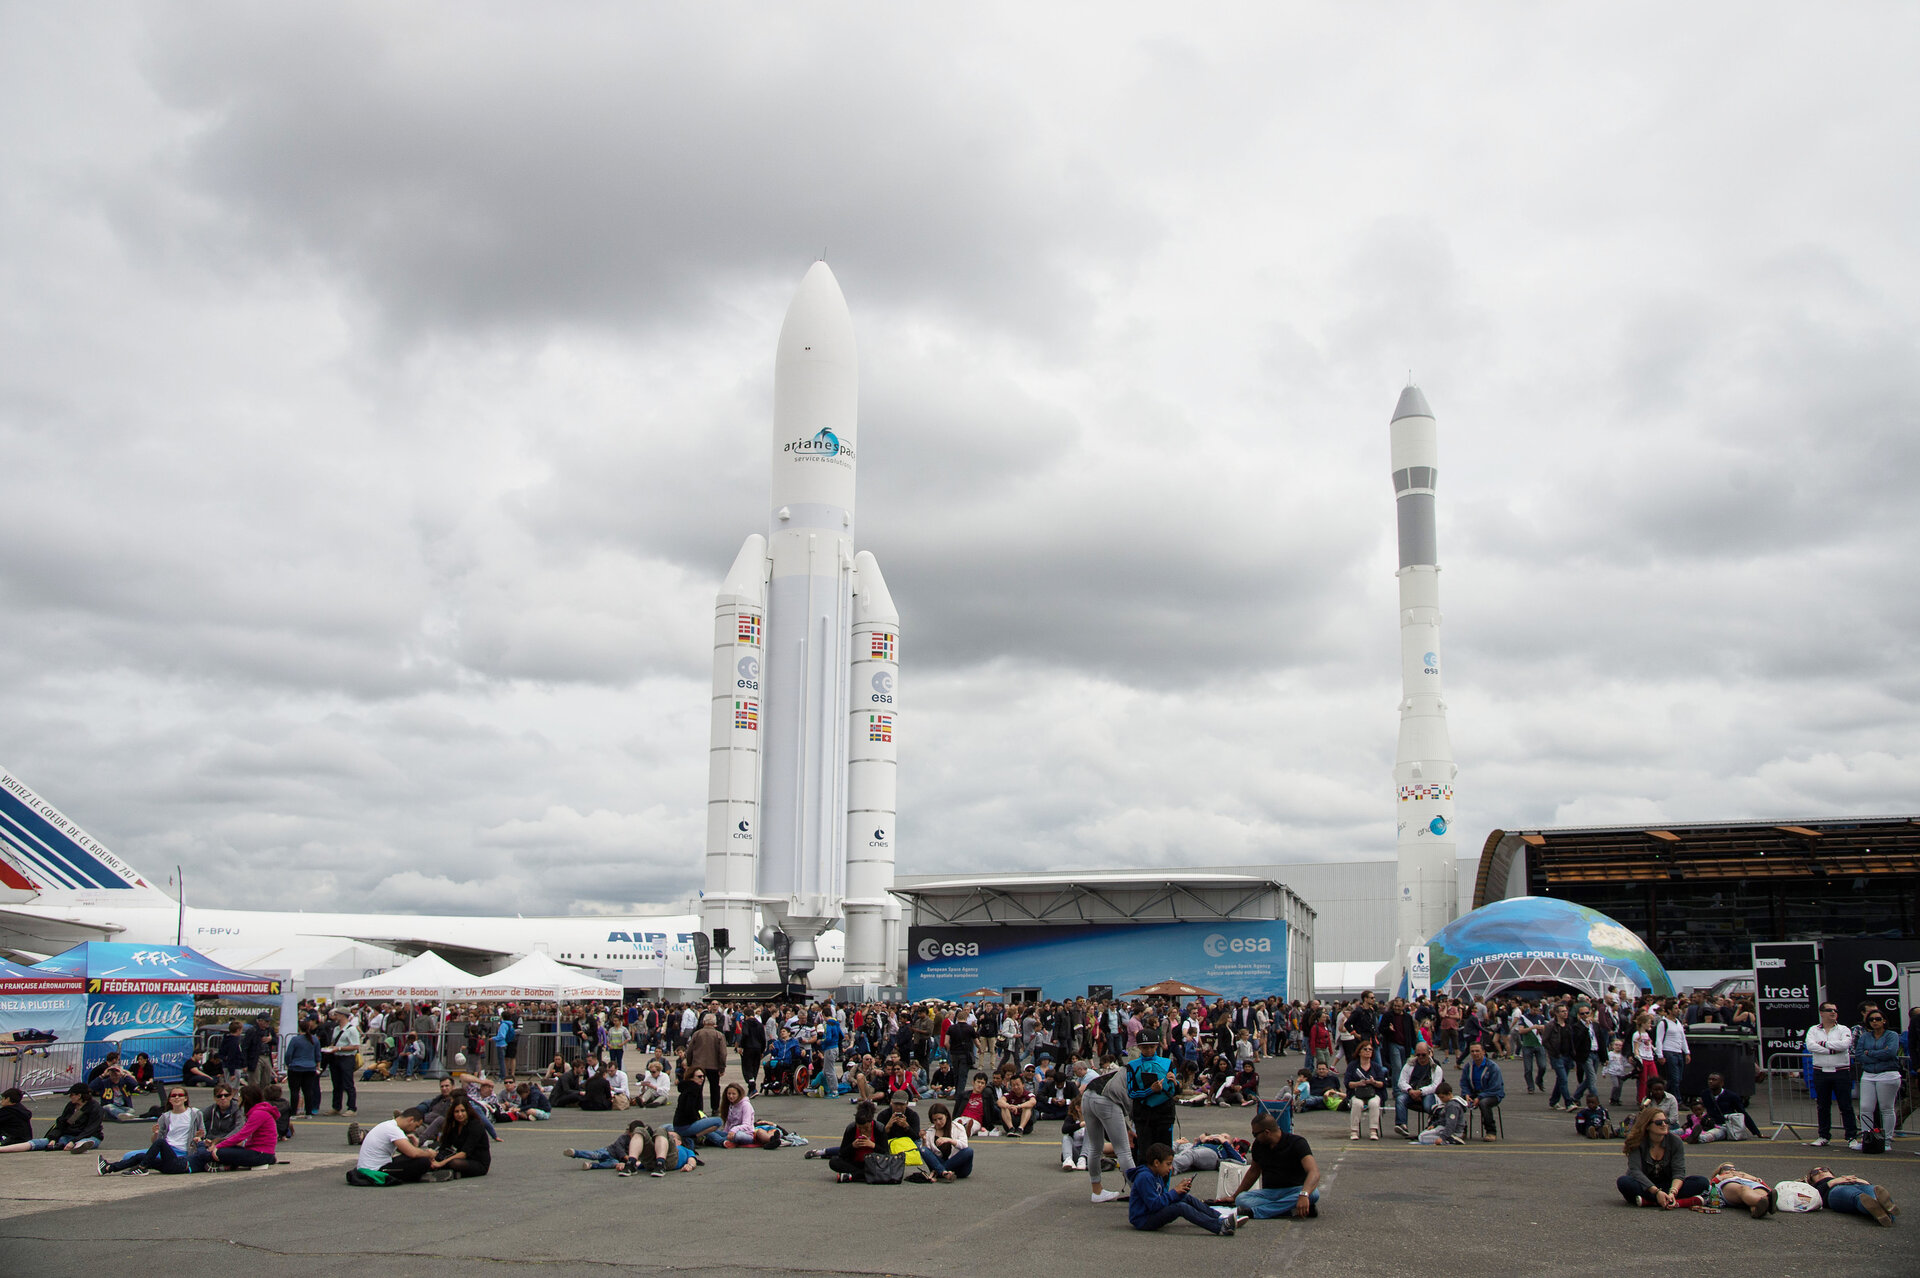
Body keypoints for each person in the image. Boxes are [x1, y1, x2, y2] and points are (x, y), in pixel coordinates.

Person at [1229, 1109, 1320, 1220]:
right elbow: (1254, 1171)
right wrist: (1234, 1196)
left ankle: (1256, 1212)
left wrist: (1304, 1194)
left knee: (1314, 1194)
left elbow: (1314, 1172)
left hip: (1295, 1190)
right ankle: (1290, 1209)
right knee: (1241, 1199)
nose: (1254, 1137)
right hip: (1270, 1193)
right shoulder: (1258, 1145)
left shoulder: (1297, 1143)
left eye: (1255, 1134)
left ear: (1267, 1132)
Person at [1127, 1141, 1234, 1235]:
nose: (1170, 1168)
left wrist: (1181, 1191)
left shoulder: (1157, 1175)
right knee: (1180, 1207)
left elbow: (1163, 1197)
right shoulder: (1144, 1177)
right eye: (1168, 1164)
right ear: (1156, 1163)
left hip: (1151, 1212)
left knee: (1186, 1198)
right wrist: (1175, 1191)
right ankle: (1220, 1227)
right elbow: (1155, 1205)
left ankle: (1219, 1217)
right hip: (1143, 1220)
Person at [98, 1085, 201, 1175]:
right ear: (169, 1099)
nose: (177, 1098)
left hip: (181, 1154)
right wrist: (156, 1134)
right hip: (166, 1150)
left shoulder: (195, 1113)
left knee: (157, 1146)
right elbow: (155, 1142)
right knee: (129, 1156)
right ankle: (108, 1168)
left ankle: (142, 1167)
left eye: (180, 1095)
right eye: (173, 1096)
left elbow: (203, 1134)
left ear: (186, 1098)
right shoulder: (165, 1117)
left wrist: (199, 1137)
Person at [1616, 1107, 1707, 1209]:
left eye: (1666, 1121)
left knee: (1702, 1182)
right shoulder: (1636, 1142)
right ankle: (1668, 1200)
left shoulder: (1675, 1141)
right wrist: (1656, 1192)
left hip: (1667, 1185)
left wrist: (1673, 1192)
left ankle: (1655, 1201)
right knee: (1624, 1182)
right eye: (1659, 1122)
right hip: (1645, 1185)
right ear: (1647, 1126)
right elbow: (1635, 1171)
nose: (1664, 1125)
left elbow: (1679, 1171)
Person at [194, 1082, 280, 1172]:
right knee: (227, 1149)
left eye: (239, 1095)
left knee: (220, 1152)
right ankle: (221, 1162)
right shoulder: (257, 1112)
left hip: (260, 1153)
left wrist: (218, 1146)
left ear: (246, 1098)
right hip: (259, 1151)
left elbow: (241, 1135)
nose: (237, 1098)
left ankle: (204, 1157)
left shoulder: (258, 1113)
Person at [1853, 1008, 1901, 1150]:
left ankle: (1886, 1141)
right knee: (1865, 1107)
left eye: (1878, 1019)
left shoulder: (1891, 1035)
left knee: (1886, 1108)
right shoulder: (1865, 1036)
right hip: (1868, 1074)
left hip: (1888, 1074)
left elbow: (1891, 1052)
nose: (1874, 1021)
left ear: (1884, 1020)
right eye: (1871, 1019)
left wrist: (1871, 1053)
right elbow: (1860, 1054)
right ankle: (1867, 1139)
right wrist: (1878, 1054)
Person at [354, 1109, 441, 1184]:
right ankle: (418, 1176)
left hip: (370, 1166)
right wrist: (429, 1154)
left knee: (418, 1158)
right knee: (423, 1162)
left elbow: (406, 1152)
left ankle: (418, 1173)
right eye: (416, 1126)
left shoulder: (388, 1125)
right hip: (375, 1170)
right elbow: (413, 1153)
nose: (414, 1130)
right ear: (411, 1120)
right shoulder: (394, 1130)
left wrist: (415, 1146)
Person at [14, 1083, 101, 1153]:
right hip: (69, 1136)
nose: (70, 1097)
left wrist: (73, 1141)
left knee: (85, 1142)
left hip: (89, 1136)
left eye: (72, 1095)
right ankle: (4, 1149)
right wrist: (53, 1138)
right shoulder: (72, 1106)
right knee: (47, 1141)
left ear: (79, 1096)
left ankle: (79, 1146)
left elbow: (90, 1129)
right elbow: (63, 1123)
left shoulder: (94, 1107)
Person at [1804, 1166, 1897, 1226]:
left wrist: (1863, 1182)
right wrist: (1832, 1182)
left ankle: (1884, 1213)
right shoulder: (1818, 1186)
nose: (1820, 1172)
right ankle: (1885, 1212)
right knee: (1857, 1197)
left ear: (1831, 1173)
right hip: (1835, 1190)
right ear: (1812, 1180)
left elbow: (1867, 1184)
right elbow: (1816, 1195)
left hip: (1860, 1185)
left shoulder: (1845, 1178)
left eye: (1823, 1169)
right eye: (1815, 1172)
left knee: (1875, 1193)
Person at [429, 1096, 490, 1178]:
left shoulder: (475, 1125)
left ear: (468, 1111)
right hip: (462, 1158)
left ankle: (448, 1172)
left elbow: (464, 1153)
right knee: (431, 1156)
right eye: (456, 1112)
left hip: (477, 1162)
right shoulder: (453, 1125)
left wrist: (440, 1163)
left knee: (453, 1163)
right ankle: (441, 1171)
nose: (460, 1114)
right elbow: (444, 1146)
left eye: (462, 1111)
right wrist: (433, 1158)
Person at [829, 1101, 887, 1183]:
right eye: (860, 1128)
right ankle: (862, 1175)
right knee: (834, 1161)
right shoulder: (851, 1128)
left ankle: (853, 1176)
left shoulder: (879, 1128)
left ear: (871, 1122)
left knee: (883, 1168)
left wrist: (873, 1145)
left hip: (874, 1163)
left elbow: (886, 1153)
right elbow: (842, 1153)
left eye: (866, 1128)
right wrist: (853, 1146)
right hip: (855, 1163)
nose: (863, 1130)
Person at [1393, 1041, 1444, 1136]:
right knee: (1400, 1098)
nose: (1421, 1057)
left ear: (1429, 1053)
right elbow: (1401, 1081)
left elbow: (1436, 1086)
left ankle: (1433, 1125)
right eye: (1418, 1055)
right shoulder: (1409, 1064)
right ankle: (1402, 1125)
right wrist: (1410, 1090)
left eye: (1423, 1055)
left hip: (1428, 1093)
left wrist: (1420, 1092)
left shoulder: (1436, 1067)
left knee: (1429, 1105)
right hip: (1411, 1092)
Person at [684, 1013, 729, 1116]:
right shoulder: (719, 1035)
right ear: (715, 1023)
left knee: (698, 1088)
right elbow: (723, 1053)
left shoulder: (697, 1034)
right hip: (714, 1066)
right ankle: (715, 1108)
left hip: (698, 1066)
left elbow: (689, 1050)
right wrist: (722, 1067)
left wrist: (690, 1064)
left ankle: (699, 1109)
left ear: (704, 1022)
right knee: (714, 1087)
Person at [1459, 1042, 1504, 1141]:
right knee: (1457, 1101)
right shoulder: (1468, 1066)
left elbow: (1495, 1087)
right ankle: (1461, 1129)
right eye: (1472, 1051)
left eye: (1477, 1051)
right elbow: (1464, 1083)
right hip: (1474, 1092)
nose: (1475, 1053)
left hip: (1492, 1094)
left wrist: (1479, 1097)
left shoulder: (1493, 1067)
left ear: (1483, 1052)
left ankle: (1491, 1131)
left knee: (1484, 1103)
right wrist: (1466, 1094)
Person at [1344, 1043, 1388, 1140]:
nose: (1368, 1051)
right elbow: (1347, 1083)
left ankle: (1373, 1130)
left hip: (1373, 1093)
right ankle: (1354, 1131)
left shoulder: (1376, 1066)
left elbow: (1383, 1084)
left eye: (1370, 1049)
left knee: (1374, 1103)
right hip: (1357, 1093)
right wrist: (1359, 1083)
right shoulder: (1352, 1066)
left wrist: (1373, 1082)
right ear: (1359, 1052)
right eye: (1365, 1049)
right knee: (1357, 1103)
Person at [1704, 1161, 1775, 1219]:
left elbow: (1769, 1190)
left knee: (1760, 1190)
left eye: (1734, 1168)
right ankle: (1765, 1202)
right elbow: (1709, 1186)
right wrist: (1722, 1177)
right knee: (1743, 1189)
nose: (1732, 1169)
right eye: (1727, 1168)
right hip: (1729, 1184)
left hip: (1749, 1182)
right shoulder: (1720, 1177)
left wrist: (1754, 1178)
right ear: (1719, 1171)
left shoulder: (1745, 1176)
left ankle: (1757, 1210)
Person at [283, 1019, 323, 1118]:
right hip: (310, 1067)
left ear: (299, 1028)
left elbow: (289, 1054)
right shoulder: (314, 1039)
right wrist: (317, 1065)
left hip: (296, 1067)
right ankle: (308, 1112)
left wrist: (288, 1064)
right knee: (308, 1090)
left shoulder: (295, 1040)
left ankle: (293, 1112)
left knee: (294, 1091)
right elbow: (318, 1055)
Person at [922, 1101, 972, 1179]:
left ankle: (939, 1171)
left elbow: (964, 1145)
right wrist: (924, 1140)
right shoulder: (930, 1131)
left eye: (940, 1119)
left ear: (946, 1116)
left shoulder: (958, 1127)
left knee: (969, 1151)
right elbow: (928, 1154)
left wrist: (949, 1140)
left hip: (959, 1168)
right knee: (923, 1149)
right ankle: (944, 1172)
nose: (938, 1122)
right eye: (935, 1120)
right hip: (939, 1163)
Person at [324, 1009, 360, 1116]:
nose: (335, 1016)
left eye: (337, 1014)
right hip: (336, 1057)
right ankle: (336, 1106)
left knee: (348, 1083)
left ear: (343, 1015)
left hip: (347, 1058)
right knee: (336, 1083)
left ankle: (352, 1107)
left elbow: (355, 1046)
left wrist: (339, 1048)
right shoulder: (336, 1029)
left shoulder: (351, 1029)